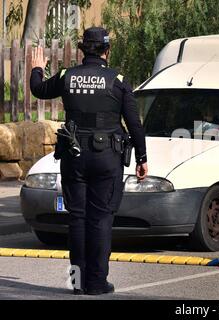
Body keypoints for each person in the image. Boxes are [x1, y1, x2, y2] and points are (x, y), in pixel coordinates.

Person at [30, 27, 148, 295]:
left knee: (78, 219)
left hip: (74, 157)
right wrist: (141, 158)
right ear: (107, 51)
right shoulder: (117, 80)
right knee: (100, 219)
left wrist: (37, 68)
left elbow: (38, 89)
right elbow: (134, 124)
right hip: (107, 158)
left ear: (84, 50)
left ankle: (77, 282)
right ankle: (96, 282)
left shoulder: (66, 76)